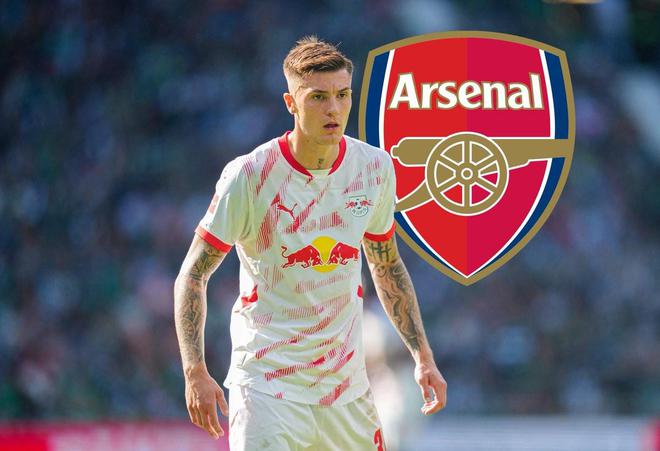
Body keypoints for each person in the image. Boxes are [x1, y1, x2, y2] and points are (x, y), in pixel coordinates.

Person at [173, 36, 447, 450]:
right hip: (267, 386)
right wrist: (194, 371)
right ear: (291, 103)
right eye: (318, 97)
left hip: (346, 391)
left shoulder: (374, 168)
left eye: (342, 95)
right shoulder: (250, 175)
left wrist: (422, 356)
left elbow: (386, 266)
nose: (333, 108)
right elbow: (193, 275)